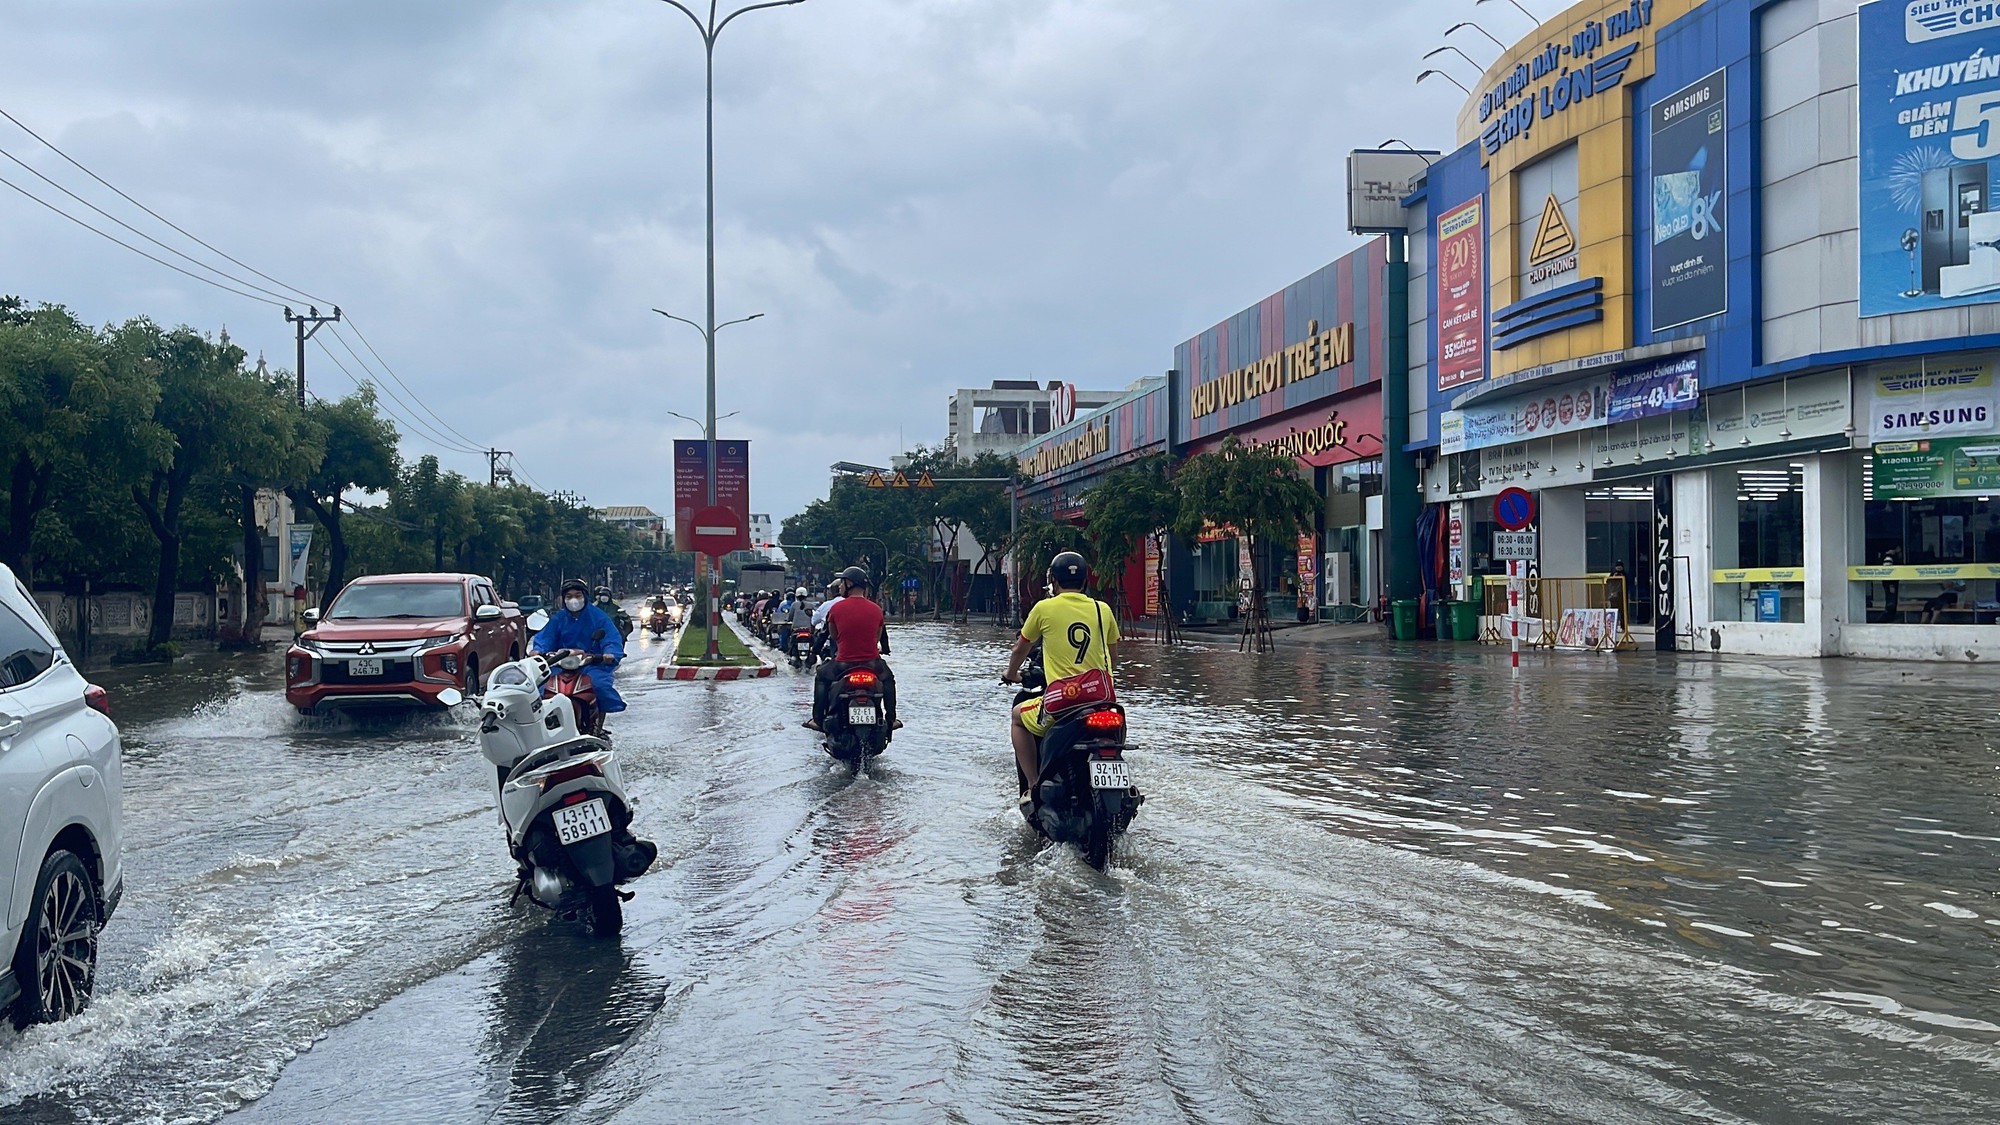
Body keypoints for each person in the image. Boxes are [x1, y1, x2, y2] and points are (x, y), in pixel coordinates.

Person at [1001, 551, 1119, 805]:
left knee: (1017, 718)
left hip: (1065, 702)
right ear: (1086, 581)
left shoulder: (1043, 608)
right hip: (1102, 700)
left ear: (1053, 581)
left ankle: (1033, 786)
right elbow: (1112, 656)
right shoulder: (1103, 609)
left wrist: (1011, 674)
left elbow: (1020, 648)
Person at [806, 566, 897, 733]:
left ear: (849, 584)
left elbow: (832, 634)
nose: (839, 587)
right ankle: (891, 719)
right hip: (872, 664)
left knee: (821, 676)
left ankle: (817, 719)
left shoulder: (836, 609)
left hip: (843, 664)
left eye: (841, 583)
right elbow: (879, 636)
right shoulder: (876, 609)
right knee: (888, 679)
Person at [531, 578, 627, 724]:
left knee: (599, 686)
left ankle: (597, 726)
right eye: (569, 597)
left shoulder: (599, 617)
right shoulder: (559, 618)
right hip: (560, 665)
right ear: (563, 599)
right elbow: (545, 637)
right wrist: (538, 651)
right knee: (541, 689)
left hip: (592, 665)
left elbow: (611, 638)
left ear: (585, 597)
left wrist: (609, 653)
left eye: (577, 595)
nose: (573, 600)